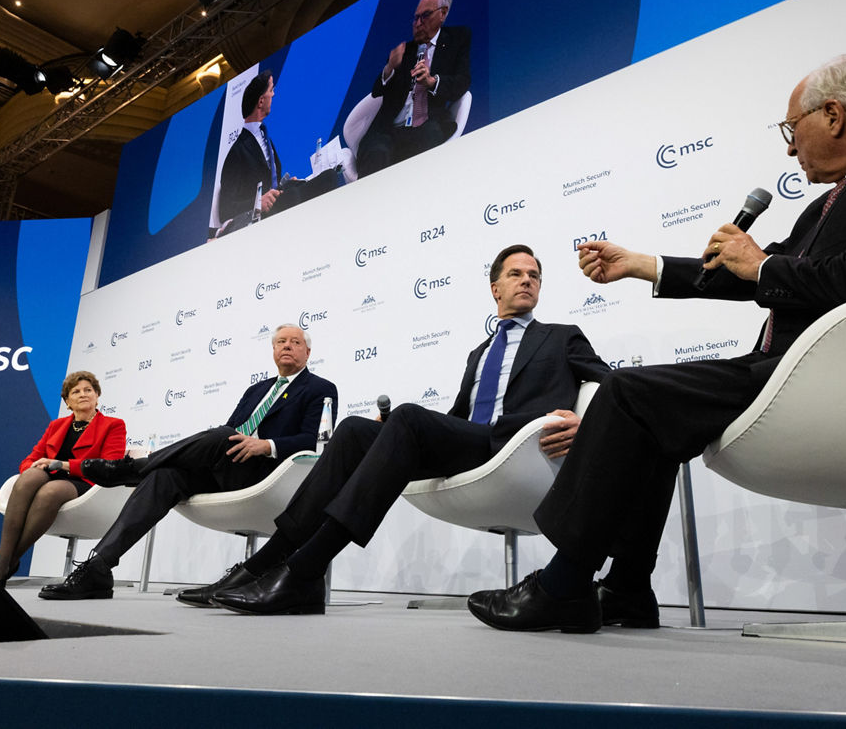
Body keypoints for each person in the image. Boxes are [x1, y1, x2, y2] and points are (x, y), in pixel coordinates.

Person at [465, 51, 846, 634]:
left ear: (835, 115)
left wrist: (761, 262)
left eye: (793, 130)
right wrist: (643, 264)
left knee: (629, 396)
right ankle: (628, 589)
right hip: (803, 369)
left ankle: (564, 584)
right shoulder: (828, 203)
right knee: (642, 406)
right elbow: (753, 277)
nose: (790, 149)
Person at [209, 244, 612, 616]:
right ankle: (268, 560)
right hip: (472, 444)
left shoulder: (561, 337)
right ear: (495, 288)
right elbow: (459, 416)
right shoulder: (480, 352)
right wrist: (396, 432)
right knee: (352, 431)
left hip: (517, 449)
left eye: (534, 275)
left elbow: (614, 387)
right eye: (516, 274)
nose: (526, 280)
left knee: (408, 417)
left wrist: (588, 422)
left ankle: (303, 571)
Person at [38, 324, 338, 600]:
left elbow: (317, 441)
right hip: (230, 467)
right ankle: (98, 568)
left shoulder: (319, 388)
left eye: (295, 342)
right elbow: (232, 431)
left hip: (270, 475)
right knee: (164, 476)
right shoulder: (256, 389)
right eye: (281, 342)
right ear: (273, 350)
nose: (287, 346)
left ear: (307, 352)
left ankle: (132, 468)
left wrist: (266, 445)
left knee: (220, 435)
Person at [0, 371, 126, 584]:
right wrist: (36, 467)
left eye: (88, 390)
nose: (83, 394)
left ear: (97, 395)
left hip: (85, 483)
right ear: (67, 401)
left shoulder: (113, 425)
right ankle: (6, 562)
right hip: (50, 476)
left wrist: (64, 465)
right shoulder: (56, 426)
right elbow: (29, 460)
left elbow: (111, 465)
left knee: (50, 492)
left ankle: (4, 563)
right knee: (29, 477)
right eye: (76, 391)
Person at [355, 0, 471, 177]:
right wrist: (390, 68)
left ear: (442, 13)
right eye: (415, 18)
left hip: (427, 124)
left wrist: (432, 82)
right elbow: (377, 91)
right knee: (376, 152)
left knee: (427, 143)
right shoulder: (404, 51)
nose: (417, 23)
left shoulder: (458, 39)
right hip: (390, 129)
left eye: (425, 16)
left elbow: (462, 81)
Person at [215, 71, 287, 235]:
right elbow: (225, 209)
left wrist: (286, 184)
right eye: (271, 90)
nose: (274, 94)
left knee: (319, 180)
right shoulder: (237, 152)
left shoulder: (266, 139)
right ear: (261, 101)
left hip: (277, 211)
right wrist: (257, 203)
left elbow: (273, 182)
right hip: (258, 224)